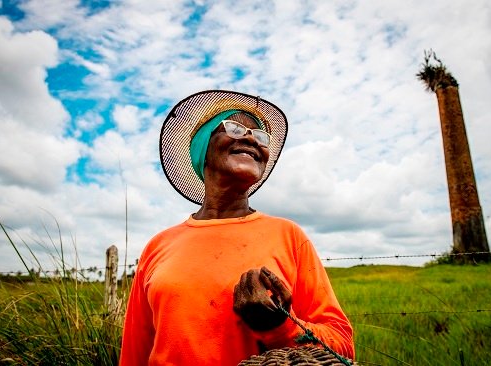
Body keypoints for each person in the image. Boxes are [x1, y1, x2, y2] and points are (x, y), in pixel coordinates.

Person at [120, 90, 354, 365]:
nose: (252, 138)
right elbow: (134, 353)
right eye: (235, 127)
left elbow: (343, 345)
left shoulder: (288, 235)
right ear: (203, 149)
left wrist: (278, 327)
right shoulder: (159, 246)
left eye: (261, 136)